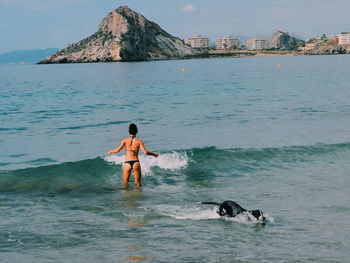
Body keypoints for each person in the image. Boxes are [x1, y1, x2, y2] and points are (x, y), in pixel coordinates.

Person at [108, 123, 158, 188]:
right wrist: (154, 154)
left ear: (128, 131)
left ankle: (125, 197)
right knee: (137, 183)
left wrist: (111, 151)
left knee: (125, 183)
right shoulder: (139, 141)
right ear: (137, 131)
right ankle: (138, 196)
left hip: (127, 163)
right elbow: (145, 152)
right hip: (136, 162)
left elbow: (117, 150)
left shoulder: (125, 140)